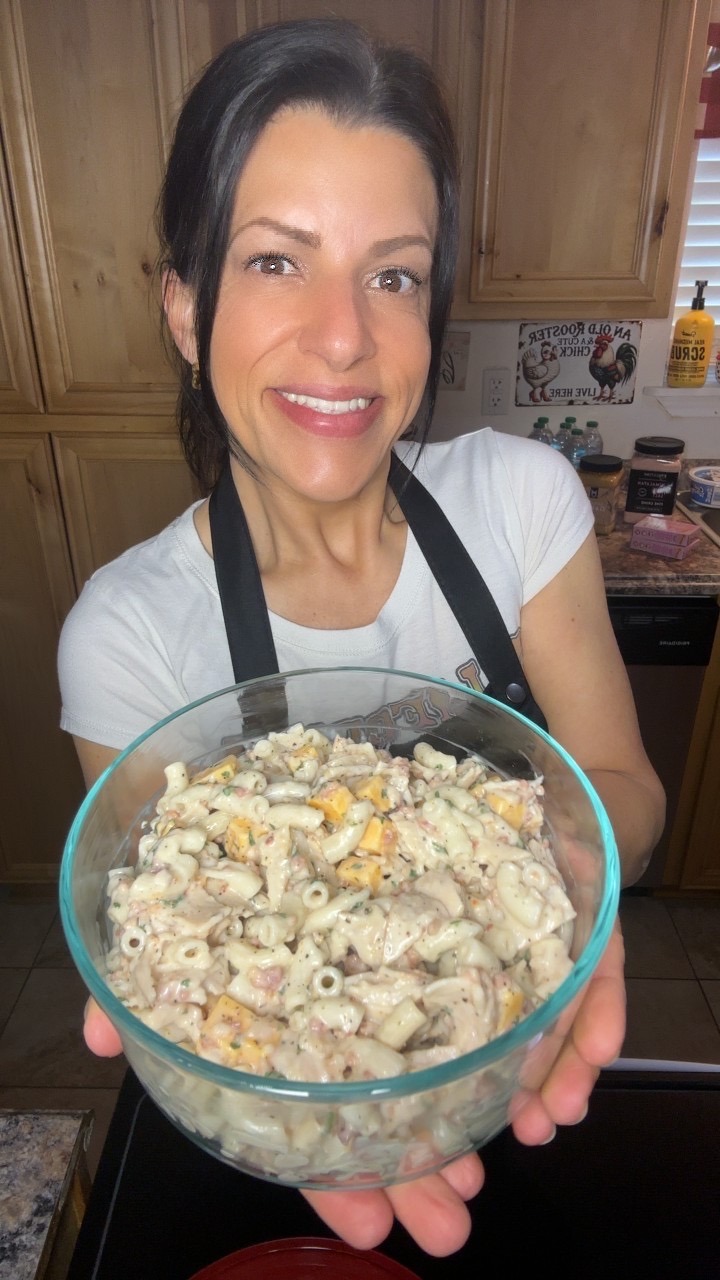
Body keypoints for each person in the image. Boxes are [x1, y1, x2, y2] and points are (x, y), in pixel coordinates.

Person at [58, 17, 665, 1259]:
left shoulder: (522, 500)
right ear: (185, 306)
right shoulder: (125, 633)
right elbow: (161, 931)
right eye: (277, 261)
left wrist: (544, 885)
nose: (344, 336)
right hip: (291, 1123)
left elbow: (624, 787)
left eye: (393, 275)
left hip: (522, 1054)